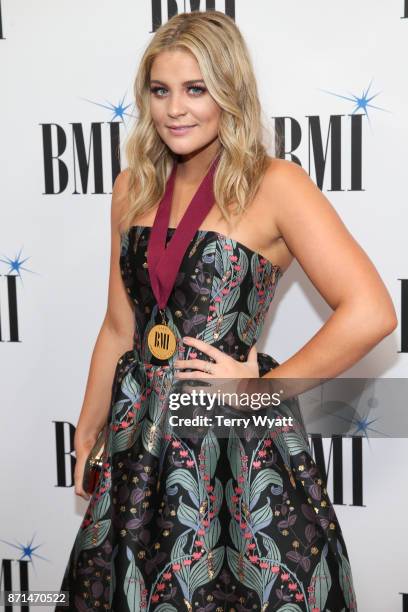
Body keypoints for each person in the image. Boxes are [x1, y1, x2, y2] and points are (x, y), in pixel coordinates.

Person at [56, 10, 397, 612]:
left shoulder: (277, 185)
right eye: (160, 91)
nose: (175, 110)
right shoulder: (132, 186)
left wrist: (265, 385)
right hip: (140, 437)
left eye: (196, 89)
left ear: (230, 91)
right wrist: (88, 428)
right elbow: (119, 326)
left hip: (230, 440)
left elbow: (372, 311)